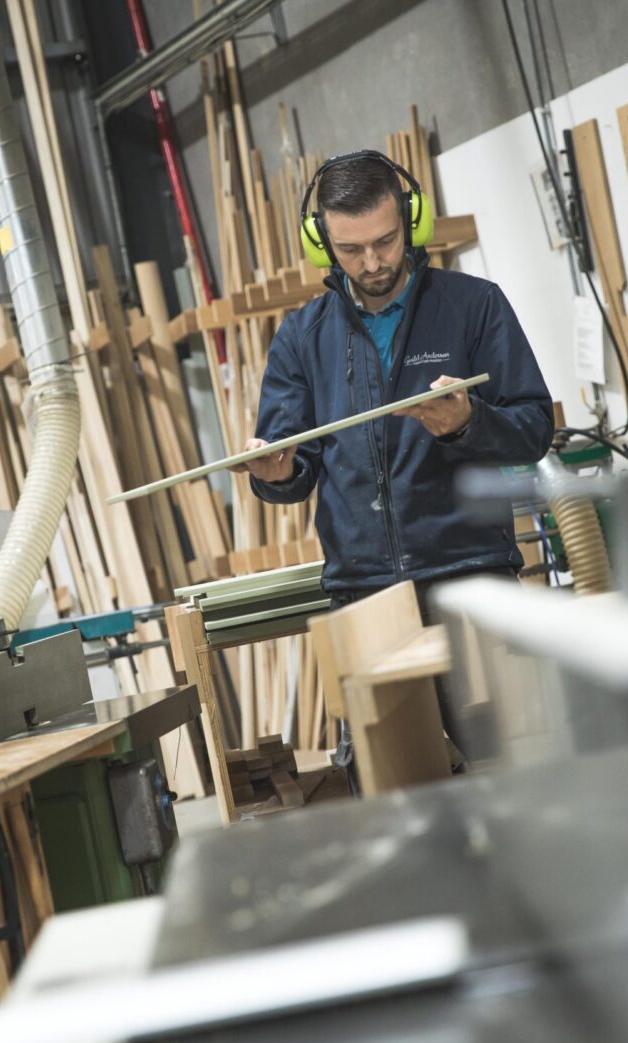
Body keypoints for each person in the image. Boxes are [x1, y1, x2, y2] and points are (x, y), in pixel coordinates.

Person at [232, 150, 554, 775]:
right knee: (390, 793)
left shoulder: (473, 306)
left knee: (507, 775)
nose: (373, 262)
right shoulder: (303, 337)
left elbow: (533, 429)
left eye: (385, 241)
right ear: (321, 240)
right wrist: (276, 476)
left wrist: (467, 424)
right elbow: (290, 462)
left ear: (412, 220)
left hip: (470, 576)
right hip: (362, 592)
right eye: (351, 249)